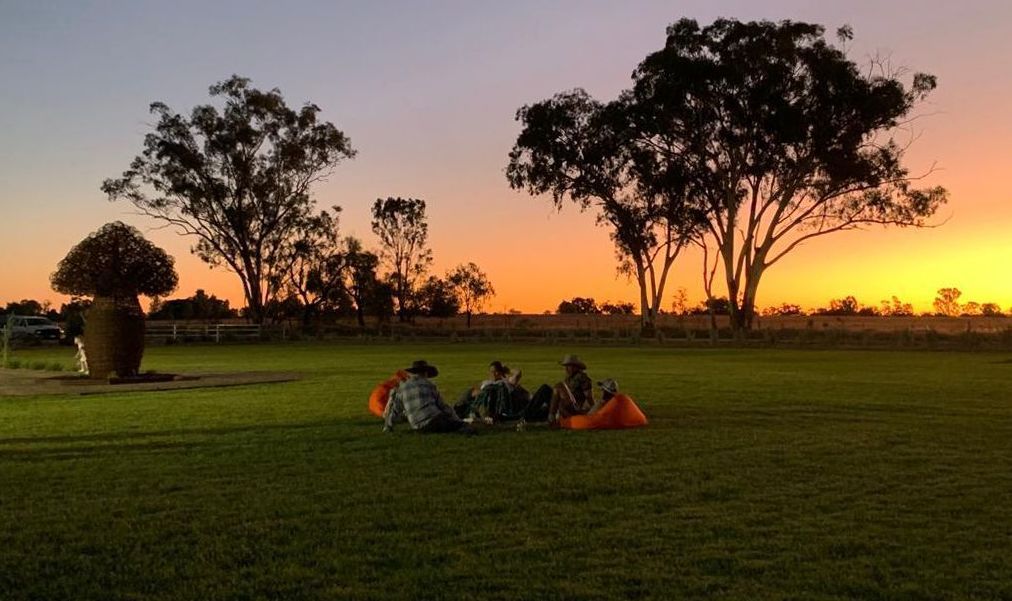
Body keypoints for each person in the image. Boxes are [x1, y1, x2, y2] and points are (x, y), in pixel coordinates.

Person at [383, 360, 474, 435]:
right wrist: (457, 420)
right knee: (463, 426)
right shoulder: (429, 385)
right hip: (433, 420)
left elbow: (394, 410)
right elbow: (443, 406)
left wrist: (388, 426)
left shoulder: (402, 387)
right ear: (426, 373)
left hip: (417, 426)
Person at [547, 354, 595, 427]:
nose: (566, 369)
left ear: (576, 367)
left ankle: (551, 418)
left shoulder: (582, 377)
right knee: (546, 390)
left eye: (568, 366)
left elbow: (589, 396)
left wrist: (593, 409)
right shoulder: (569, 378)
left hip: (575, 407)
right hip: (567, 406)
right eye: (566, 366)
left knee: (558, 386)